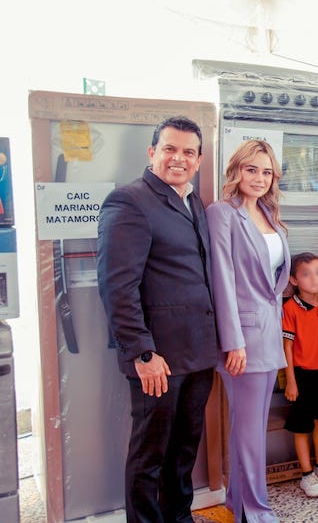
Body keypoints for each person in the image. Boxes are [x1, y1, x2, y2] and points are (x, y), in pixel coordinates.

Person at [97, 116, 218, 523]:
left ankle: (179, 518)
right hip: (158, 357)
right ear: (152, 152)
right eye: (169, 148)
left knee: (184, 449)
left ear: (198, 160)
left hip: (198, 352)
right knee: (150, 454)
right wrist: (142, 353)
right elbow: (117, 287)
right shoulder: (128, 201)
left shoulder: (193, 200)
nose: (178, 158)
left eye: (188, 152)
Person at [206, 139, 291, 521]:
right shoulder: (222, 213)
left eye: (266, 172)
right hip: (243, 339)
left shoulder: (268, 214)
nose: (259, 178)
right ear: (236, 171)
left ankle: (240, 505)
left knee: (250, 427)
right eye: (251, 169)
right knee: (249, 431)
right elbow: (221, 278)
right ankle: (257, 511)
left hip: (268, 333)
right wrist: (233, 342)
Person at [282, 252, 318, 497]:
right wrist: (291, 381)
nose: (314, 279)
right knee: (302, 426)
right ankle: (306, 474)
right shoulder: (290, 308)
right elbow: (287, 347)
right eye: (306, 274)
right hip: (302, 375)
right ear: (293, 280)